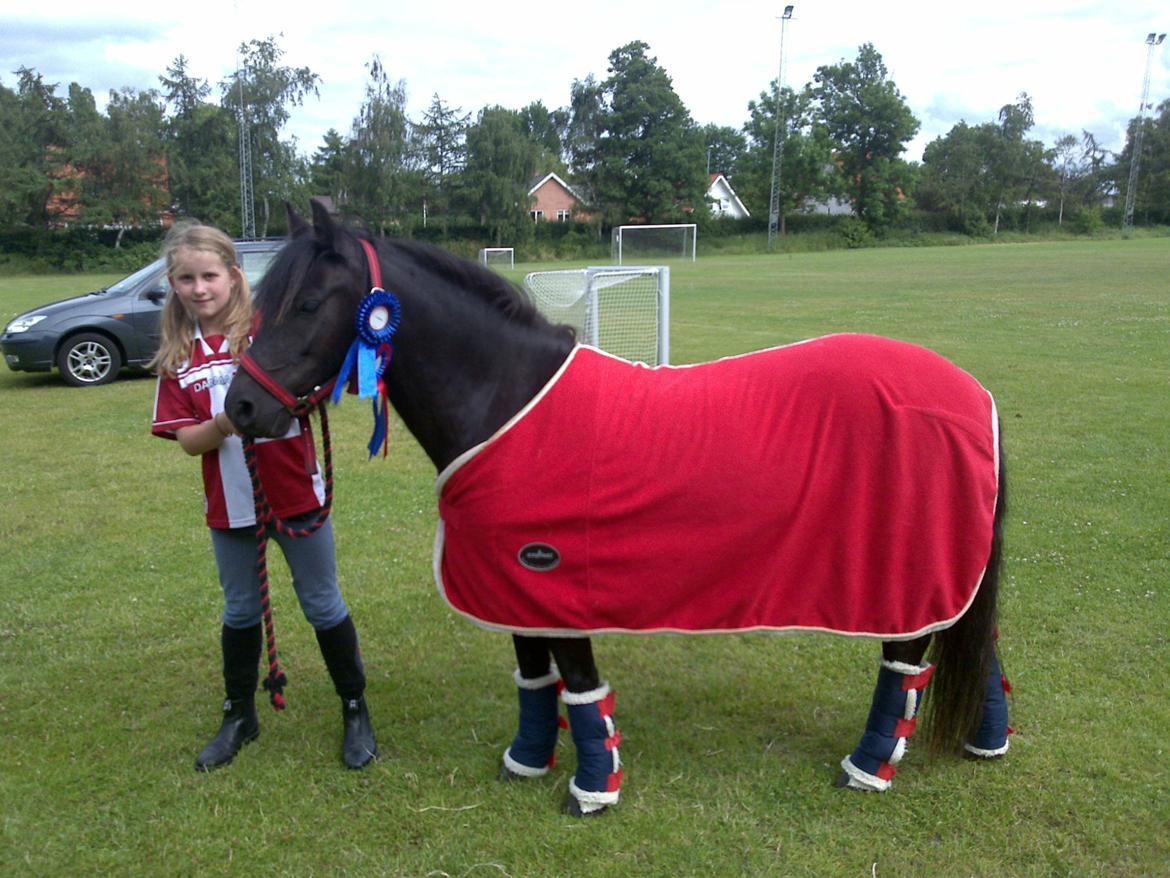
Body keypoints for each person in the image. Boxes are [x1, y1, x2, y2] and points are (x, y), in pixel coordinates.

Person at [149, 222, 377, 771]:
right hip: (231, 506)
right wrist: (228, 421)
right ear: (174, 284)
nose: (200, 289)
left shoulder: (268, 329)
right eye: (186, 279)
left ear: (233, 276)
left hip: (296, 493)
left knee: (322, 601)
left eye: (209, 276)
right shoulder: (178, 356)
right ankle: (239, 715)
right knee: (240, 608)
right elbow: (186, 441)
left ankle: (355, 709)